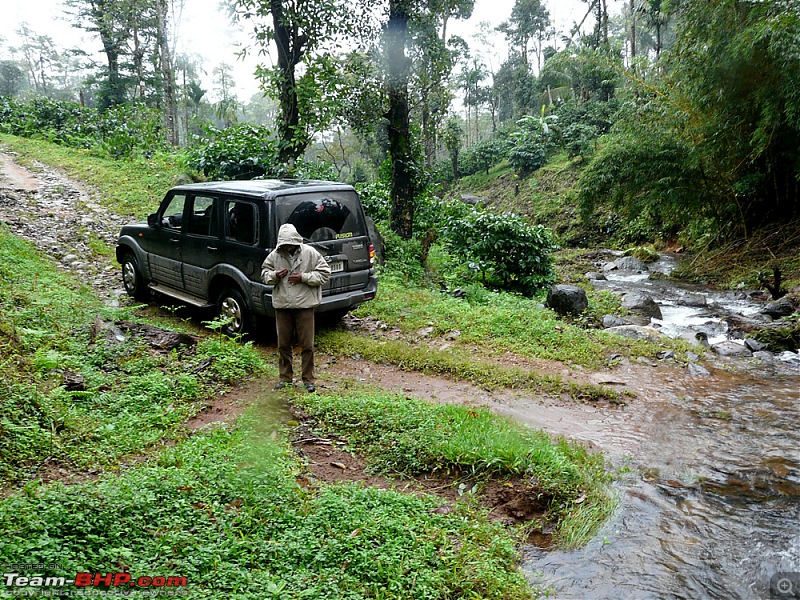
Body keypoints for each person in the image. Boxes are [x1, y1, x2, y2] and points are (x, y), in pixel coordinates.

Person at [261, 223, 331, 392]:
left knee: (307, 345)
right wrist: (274, 275)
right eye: (285, 244)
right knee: (283, 344)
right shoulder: (274, 255)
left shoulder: (310, 253)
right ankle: (285, 378)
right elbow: (264, 274)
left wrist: (304, 277)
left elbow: (325, 273)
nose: (288, 247)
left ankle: (308, 379)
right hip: (283, 306)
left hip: (304, 305)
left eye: (290, 243)